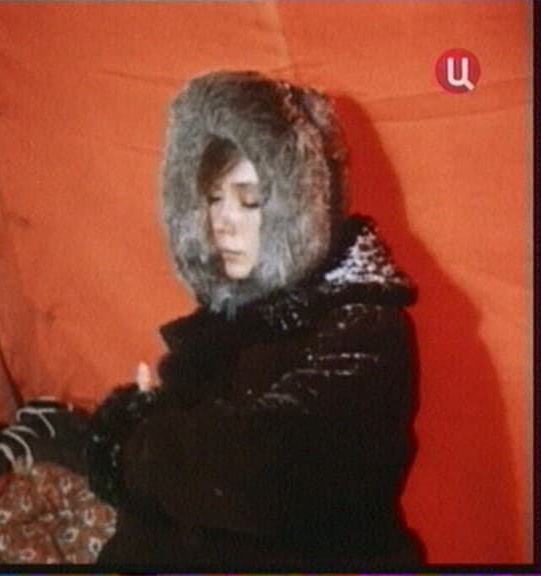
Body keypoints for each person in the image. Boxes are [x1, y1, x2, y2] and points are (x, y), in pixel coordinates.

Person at [79, 70, 425, 569]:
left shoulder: (365, 325)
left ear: (302, 206)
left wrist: (140, 432)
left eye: (251, 200)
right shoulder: (231, 319)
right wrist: (136, 430)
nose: (222, 221)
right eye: (213, 198)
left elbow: (260, 476)